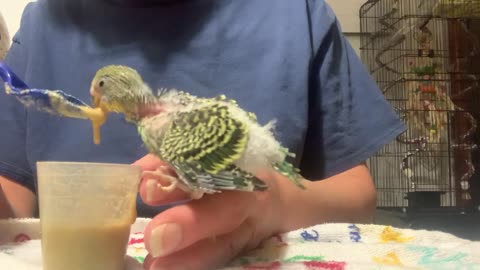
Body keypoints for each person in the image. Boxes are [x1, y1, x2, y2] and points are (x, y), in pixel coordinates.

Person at [0, 0, 406, 269]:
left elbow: (358, 195)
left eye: (101, 91)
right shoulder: (42, 24)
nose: (95, 100)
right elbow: (11, 196)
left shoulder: (295, 12)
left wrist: (275, 200)